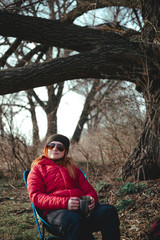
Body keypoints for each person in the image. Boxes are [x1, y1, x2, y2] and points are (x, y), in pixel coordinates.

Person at [27, 134, 120, 240]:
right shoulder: (38, 169)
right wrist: (65, 203)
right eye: (51, 146)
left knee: (109, 211)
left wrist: (92, 199)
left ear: (65, 151)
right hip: (56, 213)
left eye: (60, 147)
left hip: (82, 211)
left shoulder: (73, 168)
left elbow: (89, 190)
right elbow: (36, 197)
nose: (55, 149)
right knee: (72, 219)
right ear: (46, 148)